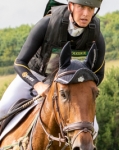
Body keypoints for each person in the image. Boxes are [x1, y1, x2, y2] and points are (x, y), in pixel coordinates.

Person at [0, 0, 105, 138]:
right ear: (71, 6)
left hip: (67, 85)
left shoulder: (95, 34)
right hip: (33, 77)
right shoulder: (47, 24)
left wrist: (80, 92)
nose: (86, 14)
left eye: (91, 8)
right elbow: (19, 62)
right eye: (81, 7)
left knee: (94, 129)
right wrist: (37, 85)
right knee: (2, 111)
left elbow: (98, 73)